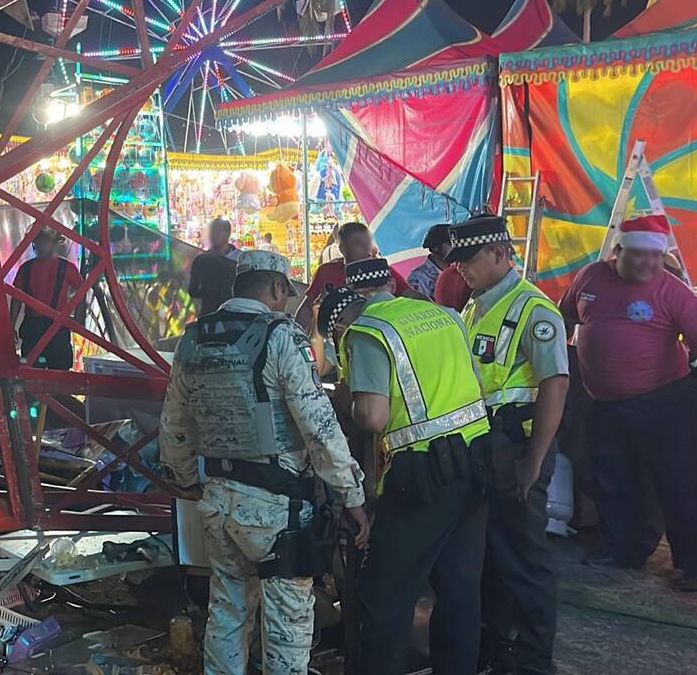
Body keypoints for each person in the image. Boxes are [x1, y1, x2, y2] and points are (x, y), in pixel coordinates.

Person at [160, 250, 369, 675]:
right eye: (285, 293)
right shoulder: (282, 336)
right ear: (276, 287)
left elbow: (174, 421)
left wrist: (185, 479)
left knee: (228, 608)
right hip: (278, 510)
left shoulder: (193, 339)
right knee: (287, 625)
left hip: (218, 501)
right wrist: (352, 496)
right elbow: (320, 427)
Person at [558, 214, 697, 591]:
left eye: (655, 257)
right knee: (612, 478)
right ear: (618, 252)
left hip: (664, 403)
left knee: (676, 482)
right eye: (639, 255)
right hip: (603, 402)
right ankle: (621, 551)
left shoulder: (672, 291)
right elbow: (562, 315)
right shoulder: (590, 278)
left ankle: (689, 566)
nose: (648, 263)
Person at [323, 257, 491, 675]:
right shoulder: (443, 314)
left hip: (424, 475)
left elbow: (372, 417)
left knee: (384, 593)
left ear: (339, 326)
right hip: (478, 461)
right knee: (458, 588)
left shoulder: (365, 332)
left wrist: (345, 398)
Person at [447, 216, 568, 675]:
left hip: (518, 443)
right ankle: (496, 647)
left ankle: (536, 660)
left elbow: (555, 384)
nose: (460, 269)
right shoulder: (476, 305)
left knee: (524, 557)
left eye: (468, 260)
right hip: (486, 443)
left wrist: (534, 461)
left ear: (499, 253)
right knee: (492, 555)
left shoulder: (534, 311)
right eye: (457, 261)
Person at [295, 222, 417, 334]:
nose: (367, 249)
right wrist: (295, 334)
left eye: (368, 242)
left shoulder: (381, 270)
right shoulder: (326, 272)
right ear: (343, 249)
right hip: (337, 338)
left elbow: (412, 295)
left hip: (380, 333)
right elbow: (307, 308)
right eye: (359, 243)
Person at [10, 227, 86, 370]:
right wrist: (11, 324)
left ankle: (58, 393)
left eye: (44, 242)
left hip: (57, 326)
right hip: (32, 326)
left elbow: (81, 293)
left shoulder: (67, 267)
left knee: (59, 371)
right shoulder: (25, 268)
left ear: (54, 244)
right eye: (38, 242)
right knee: (33, 371)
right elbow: (16, 298)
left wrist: (79, 320)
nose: (40, 246)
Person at [188, 218, 240, 316]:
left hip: (235, 315)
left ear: (228, 233)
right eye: (210, 232)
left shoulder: (240, 259)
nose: (212, 235)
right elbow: (192, 290)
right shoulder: (201, 260)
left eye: (217, 232)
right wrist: (209, 292)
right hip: (209, 315)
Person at [407, 223, 452, 300]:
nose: (456, 248)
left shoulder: (459, 271)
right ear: (436, 248)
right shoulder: (418, 278)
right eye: (450, 243)